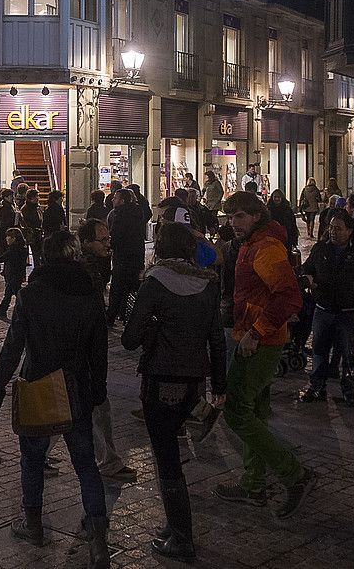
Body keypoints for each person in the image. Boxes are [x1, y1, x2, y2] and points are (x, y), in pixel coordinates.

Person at [0, 231, 110, 568]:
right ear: (75, 257)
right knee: (86, 465)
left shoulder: (30, 295)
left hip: (39, 385)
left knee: (32, 459)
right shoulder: (90, 295)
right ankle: (99, 540)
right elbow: (100, 353)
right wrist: (98, 391)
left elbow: (11, 348)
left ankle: (34, 524)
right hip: (78, 390)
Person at [123, 222, 226, 560]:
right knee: (173, 454)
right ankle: (173, 524)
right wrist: (219, 386)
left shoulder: (154, 283)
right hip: (195, 381)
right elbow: (216, 340)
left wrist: (144, 320)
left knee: (166, 457)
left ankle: (182, 537)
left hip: (160, 378)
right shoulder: (208, 285)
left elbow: (130, 339)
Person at [214, 192, 314, 518]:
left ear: (256, 215)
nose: (233, 223)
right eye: (230, 217)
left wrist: (256, 332)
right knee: (253, 411)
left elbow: (289, 298)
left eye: (240, 216)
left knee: (236, 412)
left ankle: (294, 475)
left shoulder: (265, 248)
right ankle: (253, 483)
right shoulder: (251, 245)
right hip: (252, 337)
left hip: (260, 342)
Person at [297, 209, 354, 407]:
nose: (333, 232)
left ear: (350, 230)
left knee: (349, 354)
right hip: (323, 309)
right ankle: (316, 386)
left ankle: (349, 391)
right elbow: (308, 268)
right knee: (319, 351)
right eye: (331, 228)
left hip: (350, 313)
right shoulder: (321, 249)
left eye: (338, 228)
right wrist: (308, 277)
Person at [79, 218, 138, 484]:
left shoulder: (96, 266)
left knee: (76, 406)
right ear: (86, 243)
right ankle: (109, 462)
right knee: (94, 406)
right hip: (84, 351)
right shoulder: (83, 271)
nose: (108, 244)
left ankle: (38, 451)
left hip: (88, 349)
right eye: (102, 240)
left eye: (108, 239)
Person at [107, 188, 146, 327]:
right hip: (136, 255)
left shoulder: (120, 215)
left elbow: (116, 236)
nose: (113, 200)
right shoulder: (138, 212)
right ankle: (130, 316)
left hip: (123, 256)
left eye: (116, 198)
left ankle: (111, 317)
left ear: (122, 201)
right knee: (133, 287)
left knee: (117, 288)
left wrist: (109, 246)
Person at [0, 227, 28, 322]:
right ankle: (1, 311)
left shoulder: (14, 249)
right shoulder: (22, 247)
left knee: (18, 294)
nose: (6, 239)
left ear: (14, 238)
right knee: (8, 294)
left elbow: (1, 258)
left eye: (8, 236)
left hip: (13, 275)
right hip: (16, 275)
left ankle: (26, 311)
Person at [20, 189, 44, 269]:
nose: (38, 198)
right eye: (36, 196)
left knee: (38, 254)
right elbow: (26, 223)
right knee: (35, 254)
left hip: (37, 234)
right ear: (31, 198)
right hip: (31, 234)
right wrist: (32, 230)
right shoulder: (26, 209)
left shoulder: (37, 207)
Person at [0, 188, 17, 253]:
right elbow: (4, 221)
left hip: (9, 230)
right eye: (11, 196)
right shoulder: (3, 207)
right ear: (6, 197)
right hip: (5, 231)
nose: (13, 198)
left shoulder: (11, 206)